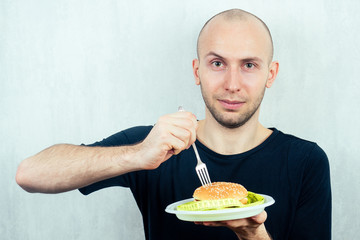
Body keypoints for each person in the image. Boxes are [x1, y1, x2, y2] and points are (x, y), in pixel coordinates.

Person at [16, 8, 331, 240]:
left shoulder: (305, 161)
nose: (232, 84)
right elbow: (29, 174)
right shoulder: (155, 144)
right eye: (217, 63)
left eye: (249, 65)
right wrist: (136, 156)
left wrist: (253, 234)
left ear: (270, 74)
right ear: (197, 71)